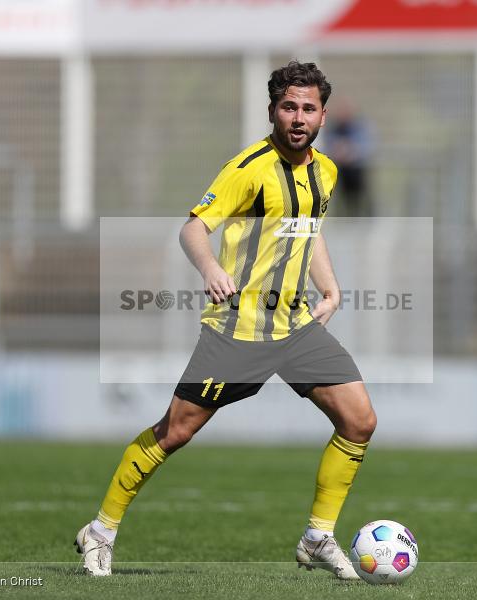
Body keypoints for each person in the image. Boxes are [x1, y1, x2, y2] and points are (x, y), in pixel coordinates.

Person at [75, 61, 377, 580]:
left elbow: (307, 231)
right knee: (174, 432)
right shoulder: (249, 168)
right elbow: (193, 229)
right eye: (289, 107)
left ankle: (317, 536)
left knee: (359, 421)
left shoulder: (324, 170)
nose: (298, 117)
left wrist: (331, 287)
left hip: (296, 327)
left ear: (323, 115)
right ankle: (99, 532)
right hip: (237, 330)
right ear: (273, 112)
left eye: (308, 108)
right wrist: (211, 266)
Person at [321, 97, 373, 217]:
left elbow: (367, 147)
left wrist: (351, 151)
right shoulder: (334, 128)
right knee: (343, 206)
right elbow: (328, 146)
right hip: (340, 174)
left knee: (360, 202)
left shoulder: (360, 127)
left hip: (358, 173)